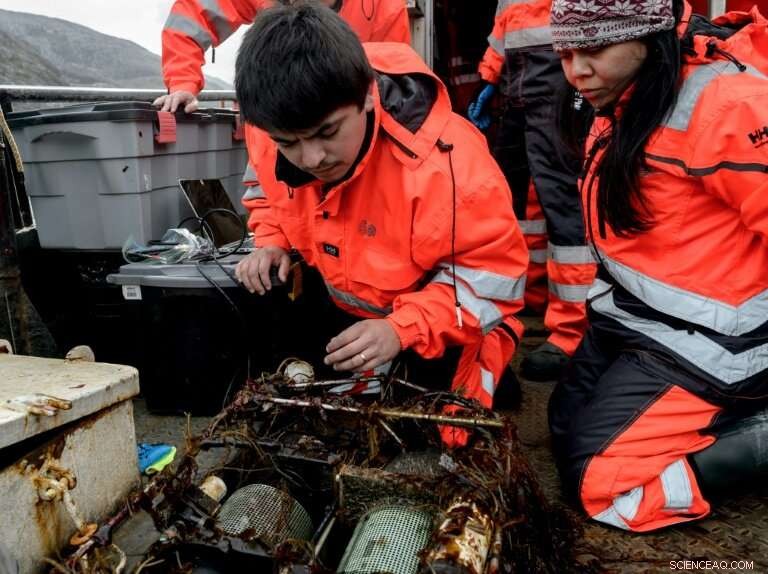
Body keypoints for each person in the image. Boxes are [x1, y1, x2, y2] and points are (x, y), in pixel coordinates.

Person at [232, 3, 529, 446]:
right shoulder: (268, 127)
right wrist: (271, 241)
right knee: (297, 410)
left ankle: (492, 372)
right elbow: (263, 188)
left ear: (368, 94)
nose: (312, 159)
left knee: (436, 434)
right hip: (350, 306)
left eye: (328, 132)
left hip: (443, 322)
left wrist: (400, 329)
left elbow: (494, 280)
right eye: (289, 143)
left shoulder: (449, 164)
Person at [548, 0, 768, 531]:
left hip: (716, 340)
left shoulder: (730, 104)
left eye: (594, 49)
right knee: (562, 428)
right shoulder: (621, 92)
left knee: (602, 485)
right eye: (564, 51)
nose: (575, 71)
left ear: (650, 38)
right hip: (638, 319)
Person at [467, 0, 596, 382]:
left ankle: (574, 330)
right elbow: (506, 23)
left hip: (562, 91)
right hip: (517, 93)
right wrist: (488, 78)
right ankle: (532, 296)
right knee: (518, 204)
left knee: (564, 207)